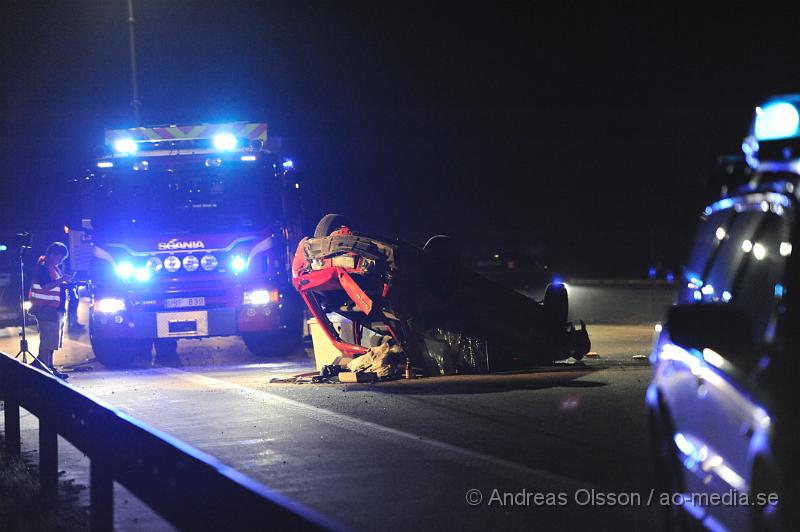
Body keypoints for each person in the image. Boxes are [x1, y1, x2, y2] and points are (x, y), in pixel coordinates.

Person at [28, 242, 74, 379]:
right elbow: (46, 287)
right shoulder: (43, 267)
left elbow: (56, 285)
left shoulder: (53, 267)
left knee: (52, 341)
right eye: (60, 258)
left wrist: (66, 282)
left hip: (54, 309)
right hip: (46, 308)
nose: (60, 261)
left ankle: (49, 367)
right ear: (52, 254)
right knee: (47, 341)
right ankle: (45, 370)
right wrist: (62, 281)